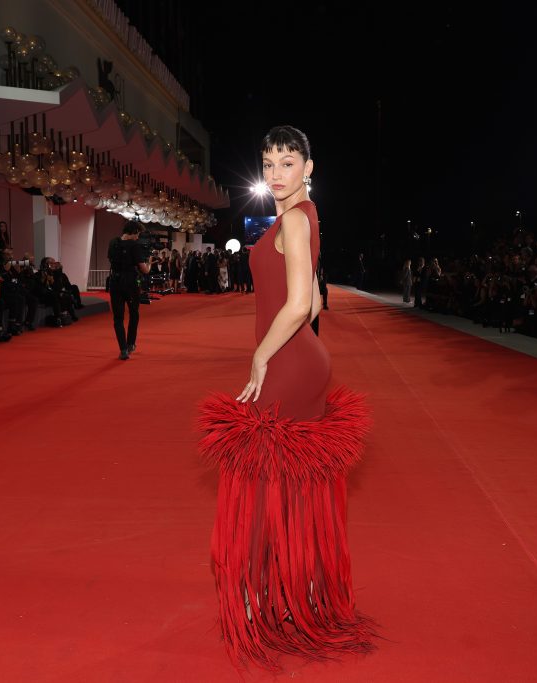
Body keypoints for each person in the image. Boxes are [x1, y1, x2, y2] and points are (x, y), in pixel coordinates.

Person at [196, 125, 376, 673]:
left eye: (287, 163)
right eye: (269, 163)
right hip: (303, 360)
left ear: (308, 167)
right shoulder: (305, 216)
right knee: (285, 486)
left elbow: (300, 304)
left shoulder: (294, 220)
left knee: (254, 483)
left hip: (287, 361)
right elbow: (320, 298)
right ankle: (292, 595)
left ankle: (257, 601)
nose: (276, 173)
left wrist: (261, 356)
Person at [107, 222, 150, 359]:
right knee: (134, 313)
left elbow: (111, 259)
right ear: (134, 231)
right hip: (130, 283)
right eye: (138, 234)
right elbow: (144, 269)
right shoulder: (134, 246)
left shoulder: (113, 242)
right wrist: (149, 263)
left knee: (118, 318)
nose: (138, 237)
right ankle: (131, 343)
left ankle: (123, 349)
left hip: (115, 282)